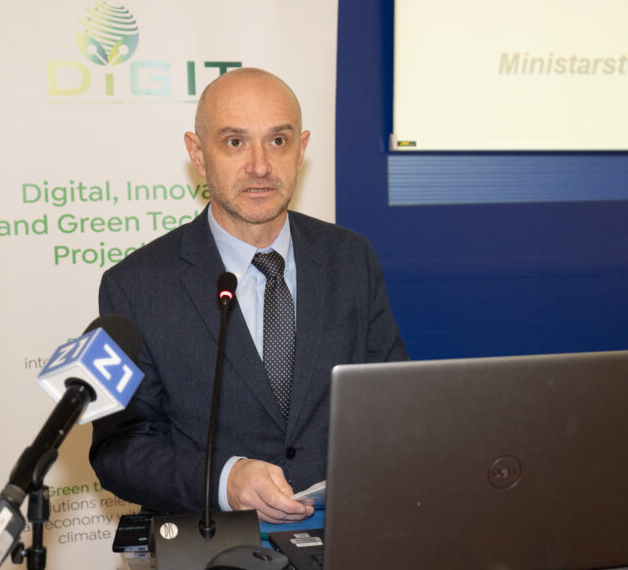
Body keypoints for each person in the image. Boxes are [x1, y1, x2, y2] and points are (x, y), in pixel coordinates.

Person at [90, 68, 407, 521]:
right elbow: (119, 451)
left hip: (345, 531)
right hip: (213, 541)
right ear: (198, 155)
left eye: (278, 141)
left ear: (301, 149)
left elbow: (392, 405)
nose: (260, 166)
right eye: (235, 142)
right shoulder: (135, 286)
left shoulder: (351, 258)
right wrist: (224, 481)